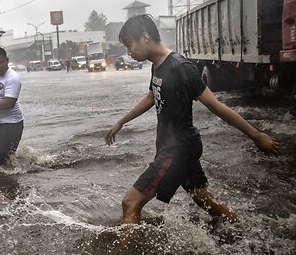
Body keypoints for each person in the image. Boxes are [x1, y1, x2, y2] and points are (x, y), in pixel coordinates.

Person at [104, 14, 279, 227]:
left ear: (145, 37)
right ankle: (244, 230)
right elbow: (151, 96)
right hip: (177, 147)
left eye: (129, 46)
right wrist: (121, 122)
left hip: (178, 149)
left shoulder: (181, 67)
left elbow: (215, 105)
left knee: (130, 203)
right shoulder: (156, 65)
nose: (129, 53)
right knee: (204, 201)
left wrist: (255, 135)